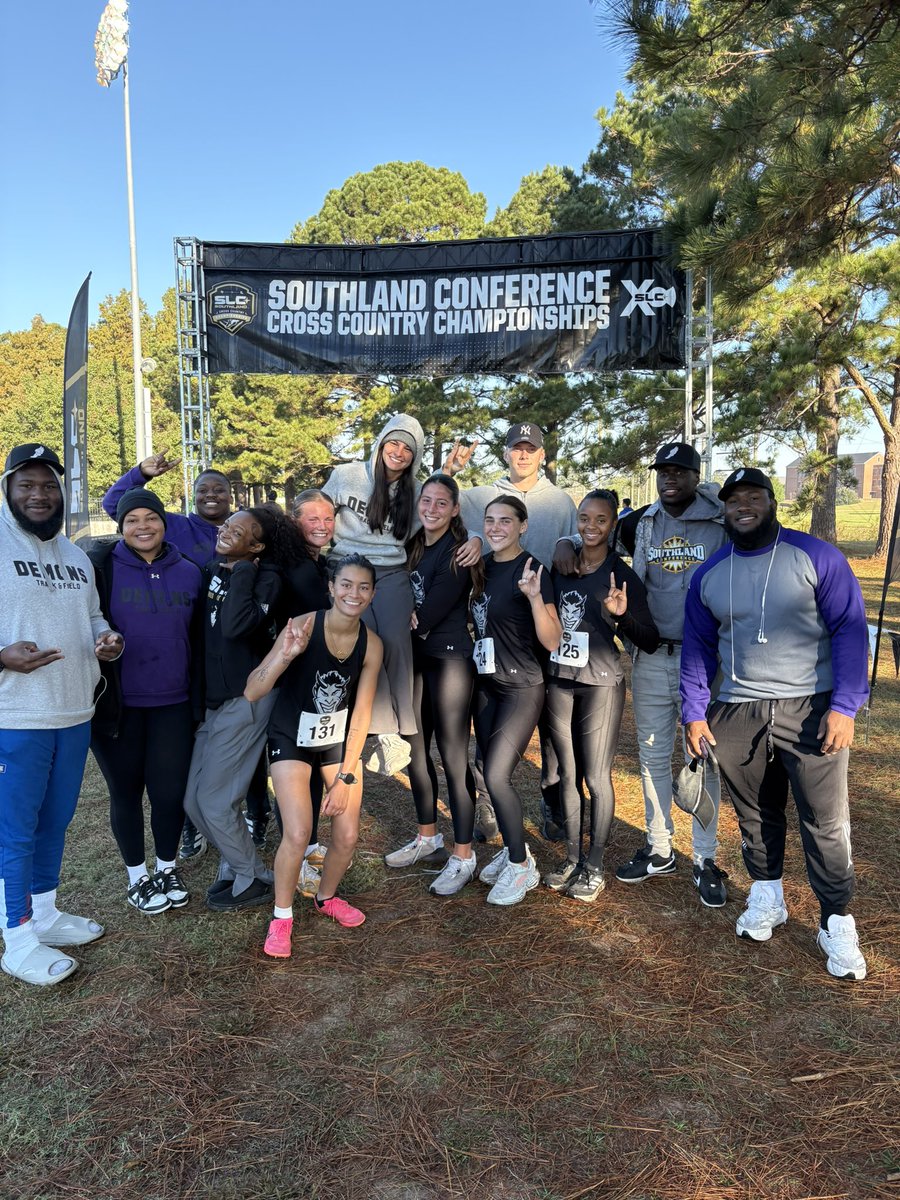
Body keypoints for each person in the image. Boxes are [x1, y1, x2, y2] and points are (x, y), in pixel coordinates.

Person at [680, 468, 870, 979]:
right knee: (755, 813)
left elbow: (850, 630)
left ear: (771, 501)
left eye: (754, 496)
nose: (744, 505)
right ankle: (768, 895)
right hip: (738, 710)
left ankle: (836, 919)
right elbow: (697, 649)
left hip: (811, 707)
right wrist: (694, 711)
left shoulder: (817, 556)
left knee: (824, 820)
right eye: (734, 499)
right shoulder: (710, 573)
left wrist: (846, 706)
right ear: (724, 510)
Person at [559, 443, 729, 905]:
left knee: (700, 756)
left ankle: (705, 857)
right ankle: (659, 848)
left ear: (696, 476)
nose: (669, 478)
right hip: (653, 654)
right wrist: (565, 544)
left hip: (705, 660)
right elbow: (595, 538)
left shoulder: (721, 523)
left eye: (680, 471)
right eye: (663, 471)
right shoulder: (641, 521)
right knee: (653, 754)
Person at [0, 444, 123, 986]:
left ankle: (44, 912)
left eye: (48, 485)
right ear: (8, 488)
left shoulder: (74, 556)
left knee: (56, 820)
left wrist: (106, 640)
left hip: (73, 711)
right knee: (14, 830)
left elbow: (92, 615)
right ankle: (17, 936)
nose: (38, 495)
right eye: (26, 484)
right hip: (15, 716)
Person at [102, 452, 246, 860]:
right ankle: (186, 835)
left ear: (231, 495)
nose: (212, 495)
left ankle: (250, 815)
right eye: (203, 489)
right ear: (193, 497)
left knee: (195, 765)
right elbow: (119, 507)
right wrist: (142, 474)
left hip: (209, 660)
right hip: (140, 679)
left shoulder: (242, 528)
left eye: (220, 488)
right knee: (141, 783)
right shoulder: (179, 529)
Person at [322, 414, 479, 776]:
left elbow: (445, 507)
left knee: (394, 641)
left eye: (408, 448)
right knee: (359, 644)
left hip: (392, 572)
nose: (399, 451)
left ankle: (398, 731)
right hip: (346, 567)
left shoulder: (415, 490)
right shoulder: (347, 476)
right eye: (393, 442)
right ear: (379, 443)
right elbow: (316, 513)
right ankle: (369, 726)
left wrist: (477, 538)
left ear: (416, 455)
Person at [444, 423, 578, 842]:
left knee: (553, 731)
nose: (522, 455)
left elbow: (577, 538)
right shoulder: (481, 494)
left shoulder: (558, 500)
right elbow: (443, 507)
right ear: (505, 454)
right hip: (497, 622)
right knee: (489, 720)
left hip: (541, 616)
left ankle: (552, 800)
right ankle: (487, 802)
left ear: (542, 455)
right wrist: (450, 469)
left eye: (530, 449)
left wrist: (568, 543)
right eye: (515, 449)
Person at [245, 554, 383, 957]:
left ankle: (326, 897)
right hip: (290, 735)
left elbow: (361, 714)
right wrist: (285, 655)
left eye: (362, 587)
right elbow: (253, 690)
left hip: (335, 740)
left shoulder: (372, 644)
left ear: (372, 594)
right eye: (345, 584)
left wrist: (345, 779)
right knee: (299, 832)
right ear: (331, 587)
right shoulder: (302, 626)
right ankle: (281, 917)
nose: (352, 593)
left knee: (347, 833)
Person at [89, 488, 203, 914]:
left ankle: (167, 866)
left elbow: (198, 636)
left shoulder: (190, 571)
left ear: (163, 522)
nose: (143, 526)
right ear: (120, 526)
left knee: (169, 791)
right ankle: (138, 876)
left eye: (150, 518)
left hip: (173, 701)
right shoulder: (100, 569)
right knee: (126, 790)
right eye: (132, 519)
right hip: (118, 704)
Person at [545, 490, 658, 901]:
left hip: (600, 685)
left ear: (613, 526)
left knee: (595, 776)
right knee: (566, 776)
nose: (591, 527)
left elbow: (649, 639)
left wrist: (621, 615)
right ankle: (572, 858)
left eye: (601, 521)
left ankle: (594, 865)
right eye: (584, 519)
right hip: (558, 680)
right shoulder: (562, 565)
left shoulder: (622, 575)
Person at [184, 505, 298, 912]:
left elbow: (235, 627)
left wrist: (246, 569)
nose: (229, 530)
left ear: (258, 545)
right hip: (213, 704)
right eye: (229, 524)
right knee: (194, 802)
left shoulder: (267, 578)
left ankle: (253, 877)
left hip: (246, 700)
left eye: (242, 530)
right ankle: (239, 866)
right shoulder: (213, 570)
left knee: (216, 801)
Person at [384, 475, 483, 896]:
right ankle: (429, 835)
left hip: (449, 662)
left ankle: (464, 854)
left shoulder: (460, 552)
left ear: (455, 509)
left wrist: (407, 620)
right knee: (415, 751)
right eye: (427, 501)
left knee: (453, 757)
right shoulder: (412, 545)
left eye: (443, 503)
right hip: (416, 661)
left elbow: (429, 613)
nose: (432, 509)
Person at [473, 496, 562, 906]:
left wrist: (531, 597)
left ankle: (522, 866)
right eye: (490, 520)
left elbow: (553, 639)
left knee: (496, 776)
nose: (496, 528)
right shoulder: (482, 566)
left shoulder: (534, 570)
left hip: (523, 687)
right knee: (484, 770)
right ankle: (515, 852)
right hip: (487, 684)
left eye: (505, 521)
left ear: (522, 526)